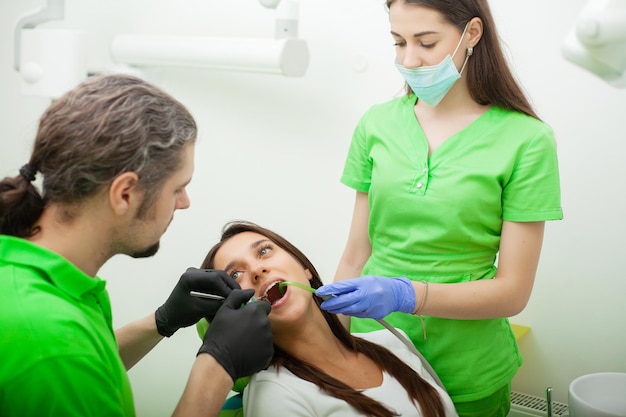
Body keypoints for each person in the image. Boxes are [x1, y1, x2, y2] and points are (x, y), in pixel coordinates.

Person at [316, 1, 563, 416]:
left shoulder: (528, 140)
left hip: (467, 369)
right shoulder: (376, 124)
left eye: (426, 43)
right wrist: (330, 348)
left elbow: (512, 292)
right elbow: (355, 254)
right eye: (398, 42)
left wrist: (407, 295)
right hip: (375, 359)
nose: (409, 60)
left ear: (472, 34)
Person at [0, 73, 273, 417]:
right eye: (177, 188)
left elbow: (93, 369)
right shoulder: (50, 342)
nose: (184, 202)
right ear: (124, 193)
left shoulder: (40, 280)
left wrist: (161, 321)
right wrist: (218, 365)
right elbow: (69, 362)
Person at [201, 220, 459, 417]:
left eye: (264, 251)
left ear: (305, 269)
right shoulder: (275, 396)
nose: (257, 270)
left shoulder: (392, 342)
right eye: (235, 275)